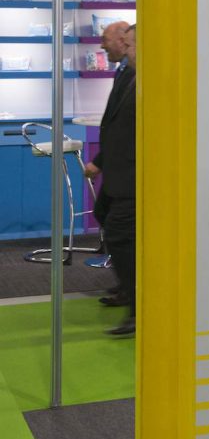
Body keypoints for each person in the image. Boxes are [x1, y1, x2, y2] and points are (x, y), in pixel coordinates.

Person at [84, 22, 136, 336]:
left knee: (119, 232)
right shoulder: (126, 73)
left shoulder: (144, 78)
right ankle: (129, 290)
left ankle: (137, 306)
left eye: (129, 45)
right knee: (106, 216)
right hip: (119, 172)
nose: (104, 46)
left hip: (132, 175)